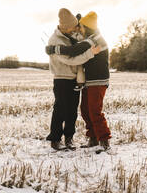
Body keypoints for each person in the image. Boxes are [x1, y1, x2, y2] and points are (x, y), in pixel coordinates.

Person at [46, 11, 111, 151]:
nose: (77, 30)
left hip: (98, 81)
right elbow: (74, 53)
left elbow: (75, 51)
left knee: (94, 111)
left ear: (86, 28)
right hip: (88, 81)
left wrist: (53, 49)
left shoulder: (94, 39)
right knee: (85, 110)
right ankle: (93, 138)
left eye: (79, 27)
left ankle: (104, 140)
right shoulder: (88, 37)